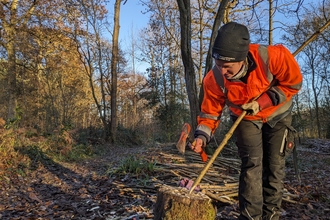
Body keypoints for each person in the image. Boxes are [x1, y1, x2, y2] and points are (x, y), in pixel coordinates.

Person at [191, 21, 303, 220]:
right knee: (252, 167)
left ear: (242, 59)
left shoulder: (273, 57)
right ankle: (250, 217)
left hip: (278, 115)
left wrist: (263, 101)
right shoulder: (214, 79)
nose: (222, 71)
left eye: (227, 67)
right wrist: (202, 136)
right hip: (245, 119)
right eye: (218, 65)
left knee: (274, 167)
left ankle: (271, 216)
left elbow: (294, 83)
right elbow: (210, 113)